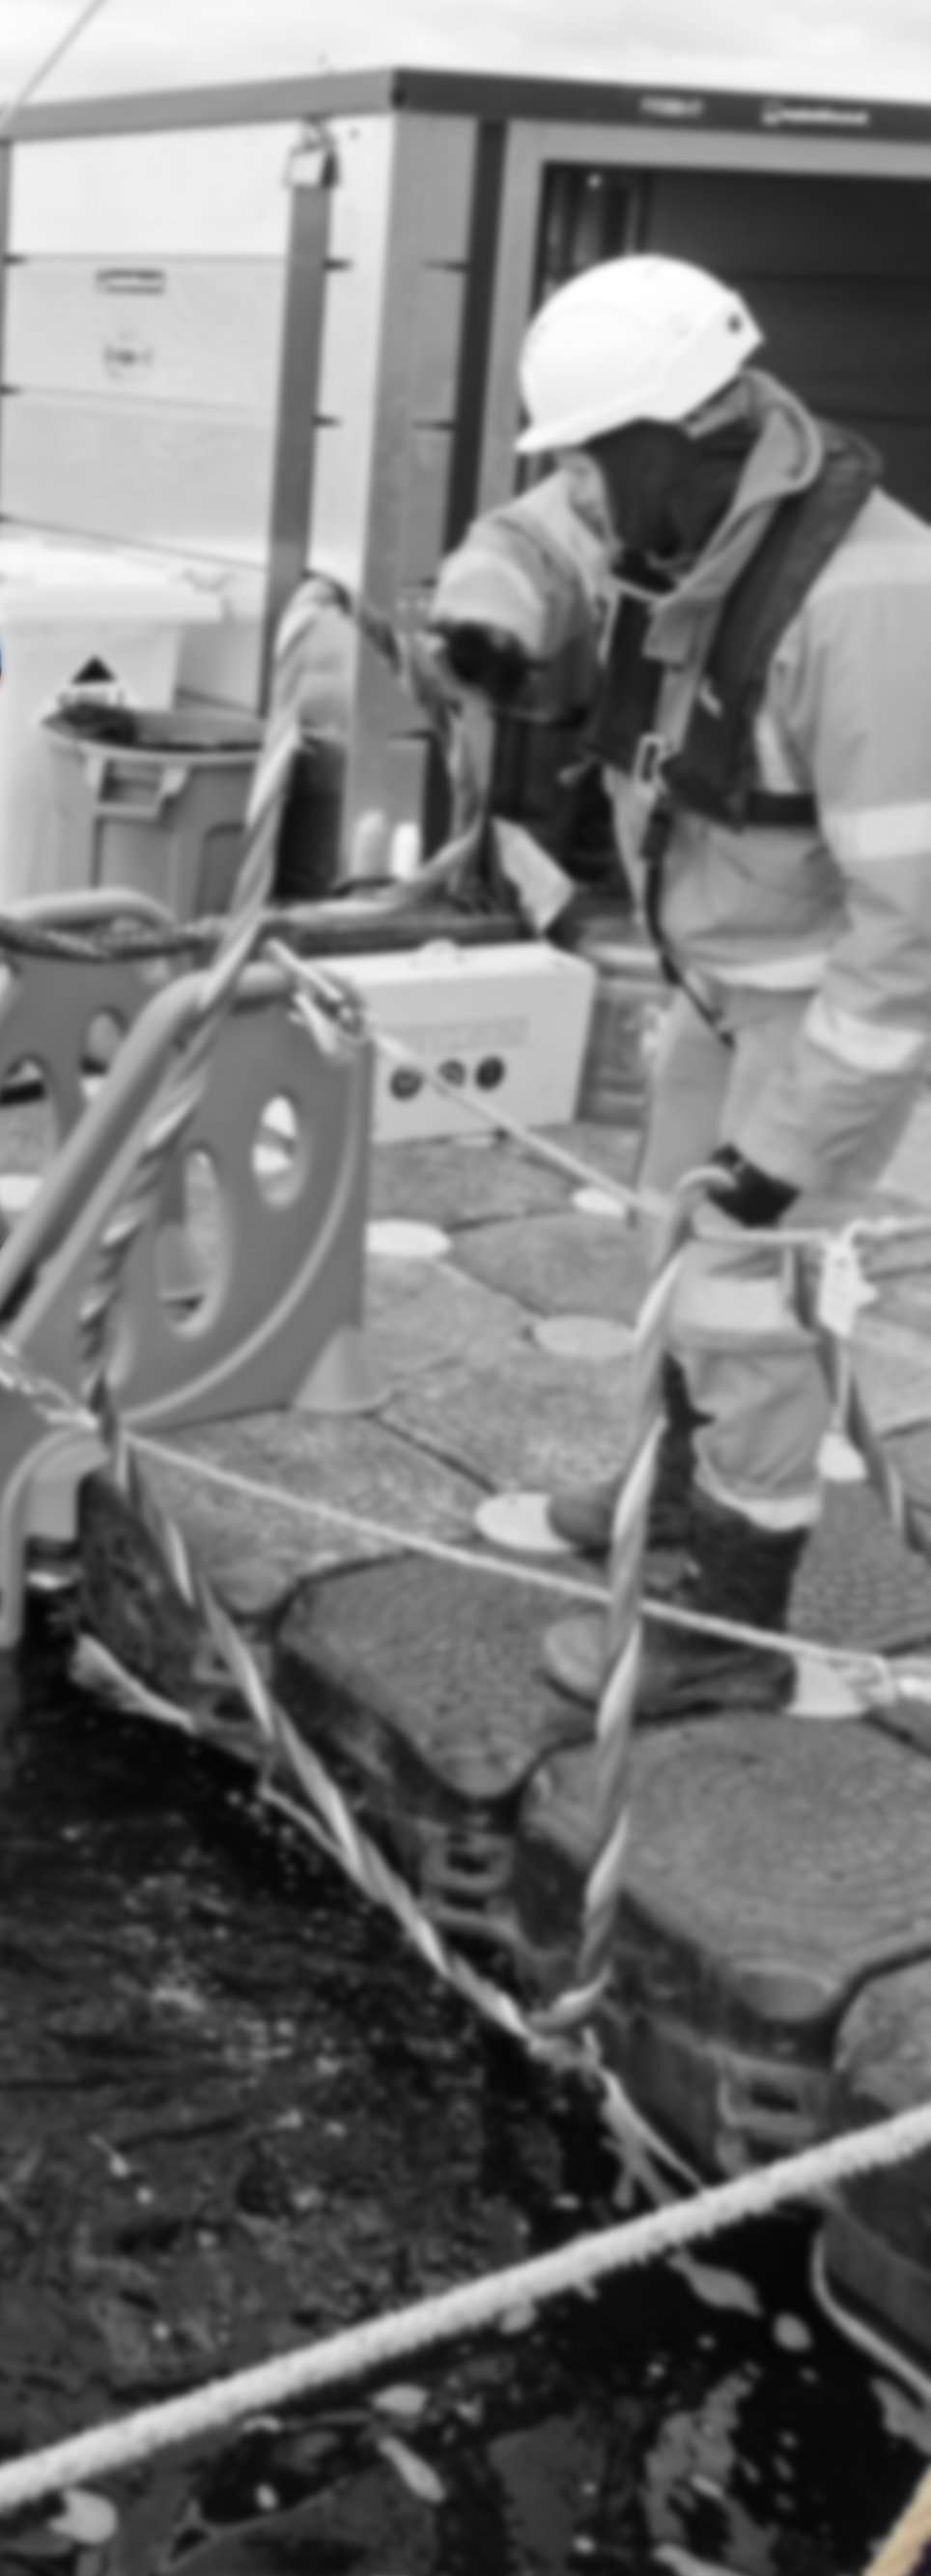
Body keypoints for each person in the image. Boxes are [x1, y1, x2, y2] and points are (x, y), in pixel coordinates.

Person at [431, 252, 931, 1716]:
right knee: (675, 1251)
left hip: (816, 1010)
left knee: (742, 1294)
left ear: (674, 437)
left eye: (598, 451)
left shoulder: (875, 608)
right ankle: (677, 1481)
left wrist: (793, 1156)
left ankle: (732, 1618)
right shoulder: (682, 506)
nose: (581, 481)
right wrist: (487, 617)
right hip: (720, 985)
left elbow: (912, 939)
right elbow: (537, 533)